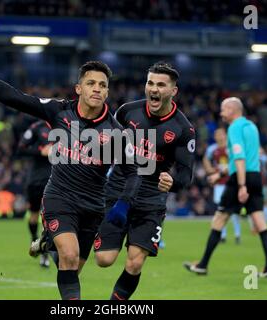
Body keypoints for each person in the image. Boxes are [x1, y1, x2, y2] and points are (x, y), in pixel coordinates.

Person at [0, 43, 141, 300]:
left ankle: (48, 241)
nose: (97, 89)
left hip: (92, 206)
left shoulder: (116, 131)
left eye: (103, 85)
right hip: (59, 196)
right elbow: (12, 96)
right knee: (69, 257)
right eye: (91, 83)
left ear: (107, 92)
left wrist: (123, 204)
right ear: (78, 88)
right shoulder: (59, 111)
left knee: (72, 268)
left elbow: (135, 170)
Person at [94, 62, 196, 300]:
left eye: (161, 85)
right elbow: (106, 147)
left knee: (135, 262)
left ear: (173, 91)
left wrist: (173, 180)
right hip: (118, 189)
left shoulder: (183, 129)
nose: (154, 89)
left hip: (151, 198)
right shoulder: (127, 112)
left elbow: (185, 173)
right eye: (150, 83)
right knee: (104, 259)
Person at [183, 97, 267, 278]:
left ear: (233, 110)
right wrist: (220, 174)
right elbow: (242, 159)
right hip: (256, 177)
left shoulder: (234, 128)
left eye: (224, 109)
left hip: (241, 179)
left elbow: (239, 159)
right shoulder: (252, 127)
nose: (221, 112)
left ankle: (202, 265)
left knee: (218, 220)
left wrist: (241, 185)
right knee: (260, 223)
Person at [17, 119, 52, 268]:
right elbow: (21, 148)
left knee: (49, 216)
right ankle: (34, 239)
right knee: (33, 215)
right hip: (36, 180)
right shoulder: (36, 127)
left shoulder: (66, 125)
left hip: (55, 180)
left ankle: (45, 253)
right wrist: (40, 151)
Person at [203, 127, 241, 244]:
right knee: (220, 209)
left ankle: (237, 234)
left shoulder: (231, 148)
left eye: (220, 134)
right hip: (219, 183)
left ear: (225, 135)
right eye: (216, 134)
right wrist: (210, 169)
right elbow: (205, 160)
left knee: (233, 210)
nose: (218, 136)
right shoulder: (212, 149)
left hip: (231, 182)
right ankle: (222, 235)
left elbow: (237, 161)